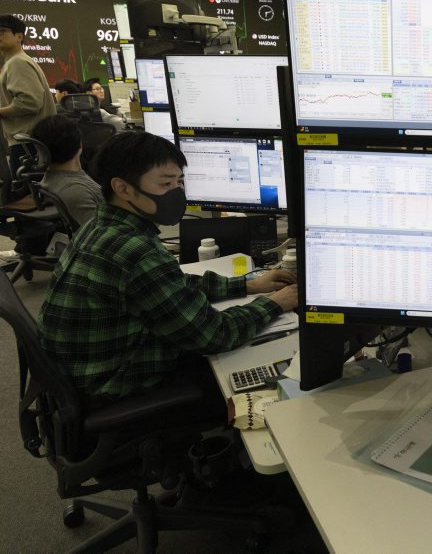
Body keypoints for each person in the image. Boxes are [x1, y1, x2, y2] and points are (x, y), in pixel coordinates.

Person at [38, 131, 298, 423]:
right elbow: (214, 334)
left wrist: (249, 285)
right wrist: (275, 303)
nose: (176, 192)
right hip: (114, 386)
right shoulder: (135, 251)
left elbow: (169, 286)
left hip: (86, 373)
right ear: (122, 188)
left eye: (179, 182)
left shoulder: (101, 227)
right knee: (249, 371)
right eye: (165, 184)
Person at [0, 13, 56, 203]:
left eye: (2, 31)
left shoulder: (17, 62)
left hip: (28, 145)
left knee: (27, 204)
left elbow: (30, 102)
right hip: (30, 143)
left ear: (19, 36)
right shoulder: (15, 62)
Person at [31, 114, 103, 226]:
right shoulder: (76, 191)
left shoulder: (55, 180)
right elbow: (103, 233)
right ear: (80, 145)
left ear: (42, 150)